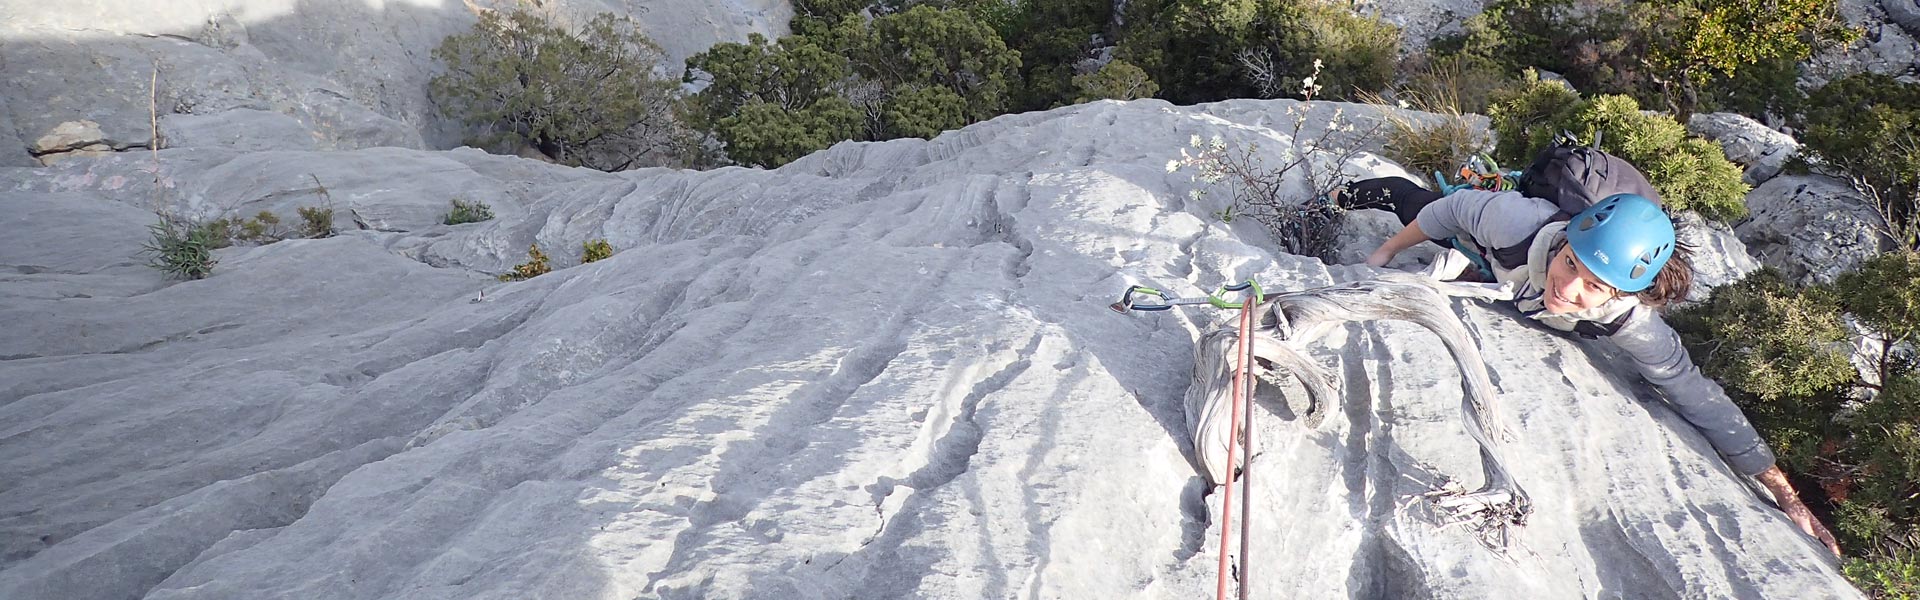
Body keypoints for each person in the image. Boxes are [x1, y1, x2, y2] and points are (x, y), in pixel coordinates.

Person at [1340, 177, 1842, 555]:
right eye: (1571, 263)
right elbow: (1452, 209)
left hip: (1500, 279)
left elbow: (1698, 396)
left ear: (1620, 293)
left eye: (1594, 285)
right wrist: (1384, 253)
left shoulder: (1634, 324)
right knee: (1418, 204)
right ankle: (1355, 191)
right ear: (1564, 242)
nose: (1570, 286)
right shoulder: (1515, 223)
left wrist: (1786, 495)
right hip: (1495, 256)